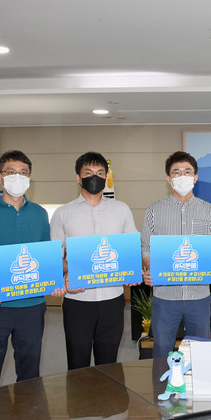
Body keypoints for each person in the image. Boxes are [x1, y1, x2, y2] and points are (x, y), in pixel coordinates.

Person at [0, 150, 61, 393]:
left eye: (23, 173)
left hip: (32, 306)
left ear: (30, 178)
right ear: (0, 177)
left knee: (29, 375)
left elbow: (44, 259)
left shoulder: (39, 213)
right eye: (11, 172)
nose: (18, 177)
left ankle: (29, 416)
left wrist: (55, 281)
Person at [50, 152, 138, 370]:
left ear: (106, 177)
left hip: (113, 299)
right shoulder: (62, 213)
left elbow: (131, 250)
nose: (94, 177)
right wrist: (73, 270)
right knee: (77, 365)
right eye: (88, 173)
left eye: (100, 173)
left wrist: (133, 269)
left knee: (108, 365)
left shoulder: (122, 209)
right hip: (77, 300)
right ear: (78, 178)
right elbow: (54, 257)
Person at [141, 151, 211, 358]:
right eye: (176, 172)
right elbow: (146, 248)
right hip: (165, 296)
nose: (182, 176)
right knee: (162, 351)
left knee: (200, 352)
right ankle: (162, 380)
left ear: (195, 177)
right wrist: (151, 269)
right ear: (169, 179)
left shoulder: (209, 210)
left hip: (199, 295)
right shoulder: (153, 210)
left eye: (187, 172)